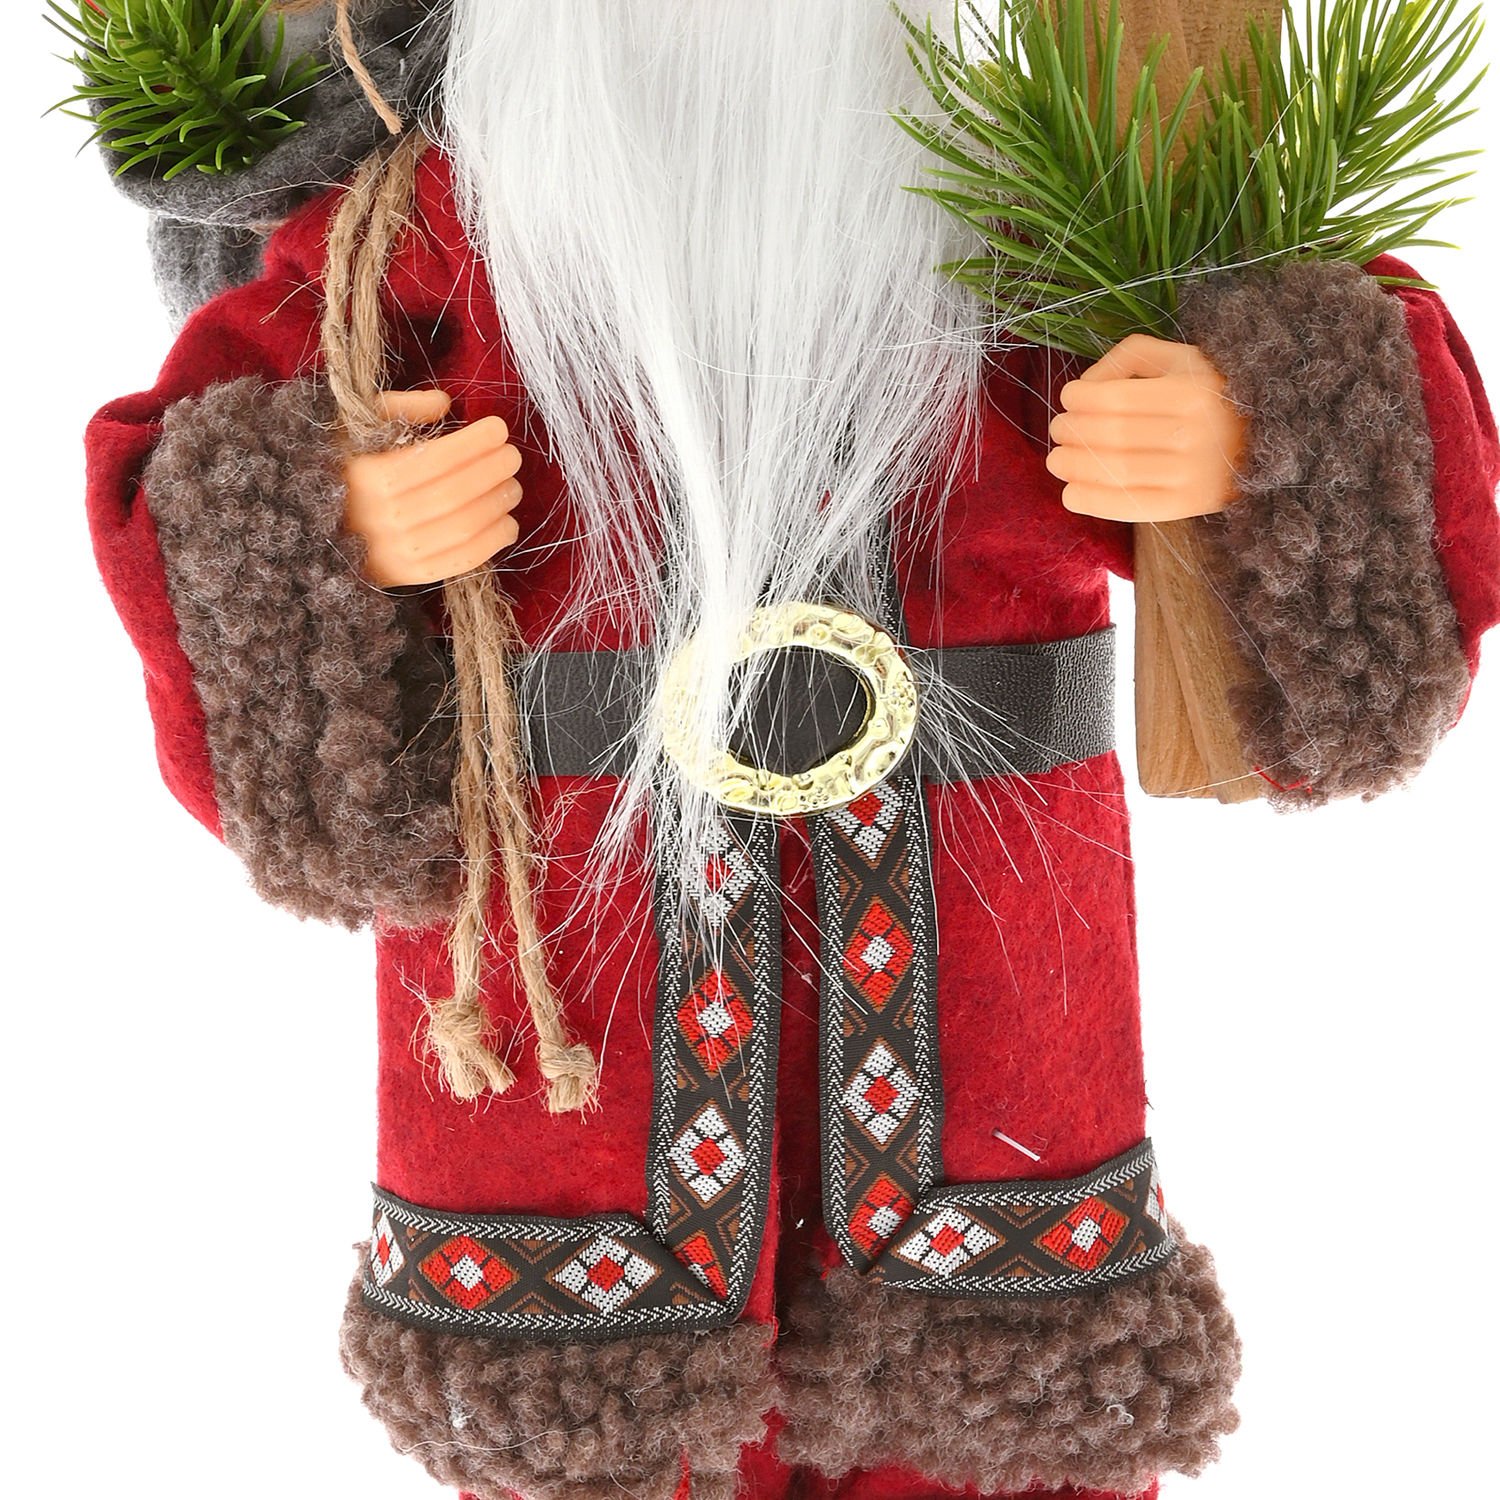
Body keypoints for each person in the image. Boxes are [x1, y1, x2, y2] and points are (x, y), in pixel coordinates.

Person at [83, 3, 1500, 1498]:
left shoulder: (1010, 214)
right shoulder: (426, 238)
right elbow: (194, 474)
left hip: (989, 999)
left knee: (1003, 1437)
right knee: (600, 1450)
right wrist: (326, 525)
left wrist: (1248, 433)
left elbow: (1372, 546)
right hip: (578, 1036)